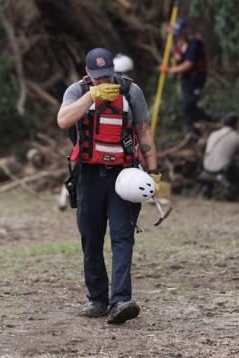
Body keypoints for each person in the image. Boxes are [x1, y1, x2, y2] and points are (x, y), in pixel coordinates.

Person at [57, 47, 161, 325]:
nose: (105, 82)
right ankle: (98, 299)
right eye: (98, 77)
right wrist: (92, 96)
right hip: (89, 175)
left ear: (114, 69)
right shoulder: (76, 91)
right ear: (88, 73)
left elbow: (143, 130)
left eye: (108, 76)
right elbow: (63, 120)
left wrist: (153, 171)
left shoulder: (131, 91)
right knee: (91, 238)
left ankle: (121, 301)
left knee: (122, 236)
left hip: (124, 176)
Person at [160, 18, 215, 136]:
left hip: (196, 77)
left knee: (188, 105)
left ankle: (210, 120)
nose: (178, 37)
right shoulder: (182, 42)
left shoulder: (194, 43)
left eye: (179, 34)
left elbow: (188, 64)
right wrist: (172, 50)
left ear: (186, 30)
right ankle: (193, 131)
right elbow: (180, 57)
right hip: (186, 78)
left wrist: (170, 70)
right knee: (186, 106)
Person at [200, 113, 239, 201]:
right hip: (222, 170)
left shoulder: (213, 134)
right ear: (236, 124)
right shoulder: (238, 137)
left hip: (205, 167)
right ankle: (230, 192)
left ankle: (207, 187)